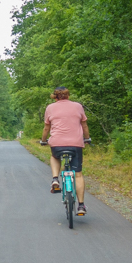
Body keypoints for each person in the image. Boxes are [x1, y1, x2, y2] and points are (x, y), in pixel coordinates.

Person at [39, 86, 91, 216]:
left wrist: (43, 140)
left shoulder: (50, 108)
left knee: (54, 156)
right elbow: (84, 125)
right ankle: (81, 205)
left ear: (55, 97)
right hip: (75, 144)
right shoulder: (78, 106)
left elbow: (46, 128)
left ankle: (55, 179)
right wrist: (87, 138)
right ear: (68, 95)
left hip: (57, 144)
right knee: (78, 175)